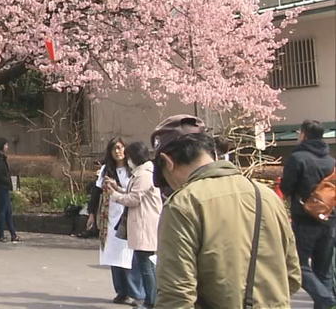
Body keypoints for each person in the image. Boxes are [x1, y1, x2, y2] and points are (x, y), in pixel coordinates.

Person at [152, 114, 300, 307]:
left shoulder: (183, 204)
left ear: (167, 161)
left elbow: (176, 295)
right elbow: (292, 276)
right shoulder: (267, 196)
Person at [280, 119, 335, 309]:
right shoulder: (331, 161)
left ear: (304, 134)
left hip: (304, 220)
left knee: (299, 266)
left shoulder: (298, 158)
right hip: (328, 218)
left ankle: (326, 299)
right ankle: (325, 302)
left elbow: (286, 186)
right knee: (323, 270)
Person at [105, 141, 161, 309]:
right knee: (146, 263)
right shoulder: (141, 173)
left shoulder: (144, 174)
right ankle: (151, 299)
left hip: (145, 224)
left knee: (145, 265)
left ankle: (151, 300)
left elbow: (133, 199)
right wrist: (118, 189)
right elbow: (133, 193)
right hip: (143, 223)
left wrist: (114, 194)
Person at [87, 137, 141, 305]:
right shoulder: (106, 170)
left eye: (120, 148)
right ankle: (121, 291)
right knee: (113, 254)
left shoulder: (133, 169)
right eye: (114, 149)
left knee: (128, 255)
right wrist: (91, 214)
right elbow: (96, 193)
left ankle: (135, 292)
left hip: (128, 214)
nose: (118, 151)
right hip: (109, 216)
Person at [0, 137, 21, 243]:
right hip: (1, 186)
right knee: (3, 211)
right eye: (6, 145)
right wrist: (6, 181)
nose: (7, 147)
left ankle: (13, 234)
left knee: (8, 211)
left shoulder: (0, 157)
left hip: (3, 186)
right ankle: (1, 235)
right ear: (1, 146)